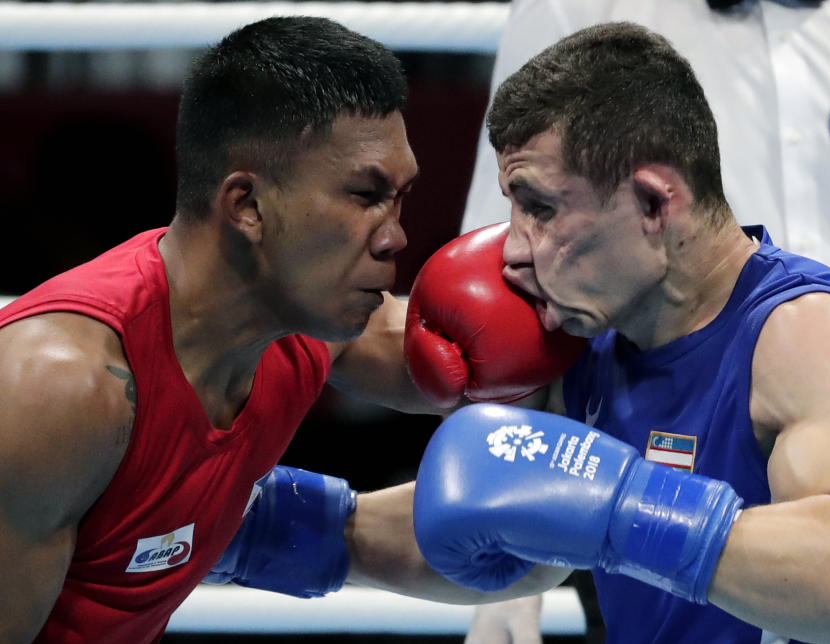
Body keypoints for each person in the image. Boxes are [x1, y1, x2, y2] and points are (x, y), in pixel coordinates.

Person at [0, 16, 573, 643]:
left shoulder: (303, 324)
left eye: (400, 197)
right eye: (365, 195)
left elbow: (472, 369)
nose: (396, 237)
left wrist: (589, 330)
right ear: (246, 206)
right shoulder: (59, 390)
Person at [412, 22, 830, 644]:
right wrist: (314, 526)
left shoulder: (803, 336)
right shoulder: (590, 335)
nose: (513, 250)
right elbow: (480, 502)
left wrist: (622, 507)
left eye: (541, 208)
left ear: (654, 204)